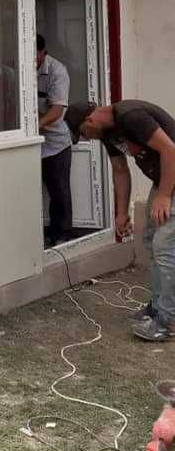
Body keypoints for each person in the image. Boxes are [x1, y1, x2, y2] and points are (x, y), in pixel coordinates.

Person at [64, 99, 175, 341]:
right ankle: (157, 308)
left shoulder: (131, 116)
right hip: (163, 181)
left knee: (165, 247)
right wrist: (121, 213)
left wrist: (165, 195)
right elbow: (120, 170)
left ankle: (168, 321)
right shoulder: (107, 133)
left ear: (90, 120)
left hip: (170, 181)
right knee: (150, 240)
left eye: (83, 133)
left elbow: (170, 150)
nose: (86, 139)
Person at [36, 34, 73, 246]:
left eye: (35, 56)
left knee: (59, 192)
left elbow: (57, 111)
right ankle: (43, 234)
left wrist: (34, 126)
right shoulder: (19, 68)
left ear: (43, 52)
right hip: (31, 143)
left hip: (56, 143)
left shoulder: (57, 71)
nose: (31, 61)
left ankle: (63, 235)